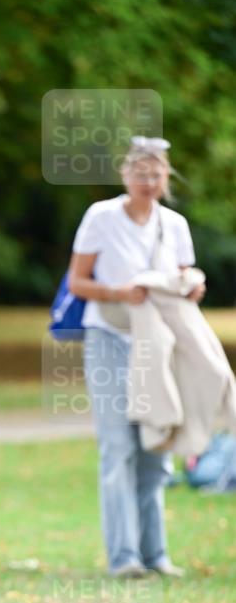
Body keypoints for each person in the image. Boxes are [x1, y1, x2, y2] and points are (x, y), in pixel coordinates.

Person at [67, 136, 206, 579]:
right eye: (140, 172)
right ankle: (124, 556)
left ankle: (155, 554)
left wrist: (193, 286)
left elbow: (181, 280)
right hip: (109, 337)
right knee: (118, 447)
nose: (148, 181)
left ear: (166, 177)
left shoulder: (174, 225)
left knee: (156, 446)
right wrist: (119, 293)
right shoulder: (101, 217)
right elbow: (77, 282)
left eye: (156, 173)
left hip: (157, 345)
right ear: (125, 174)